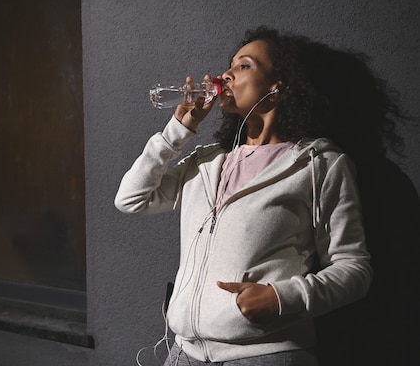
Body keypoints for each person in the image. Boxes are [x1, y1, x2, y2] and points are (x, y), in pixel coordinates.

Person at [114, 25, 414, 365]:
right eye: (229, 65)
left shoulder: (319, 165)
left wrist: (280, 297)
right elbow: (131, 199)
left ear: (278, 87)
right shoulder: (207, 161)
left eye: (244, 65)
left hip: (265, 355)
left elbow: (353, 270)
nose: (225, 74)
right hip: (183, 354)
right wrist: (177, 133)